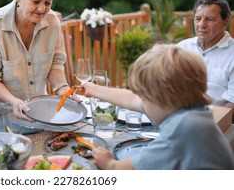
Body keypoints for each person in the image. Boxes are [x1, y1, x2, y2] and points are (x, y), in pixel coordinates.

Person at [80, 44, 234, 169]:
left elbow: (129, 170)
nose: (142, 101)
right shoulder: (191, 110)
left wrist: (109, 164)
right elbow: (133, 99)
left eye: (145, 96)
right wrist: (93, 89)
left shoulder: (182, 130)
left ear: (164, 98)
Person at [177, 0, 234, 119]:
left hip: (216, 124)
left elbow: (233, 104)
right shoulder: (181, 48)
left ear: (225, 23)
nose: (202, 25)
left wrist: (205, 124)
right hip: (177, 118)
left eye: (210, 19)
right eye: (198, 19)